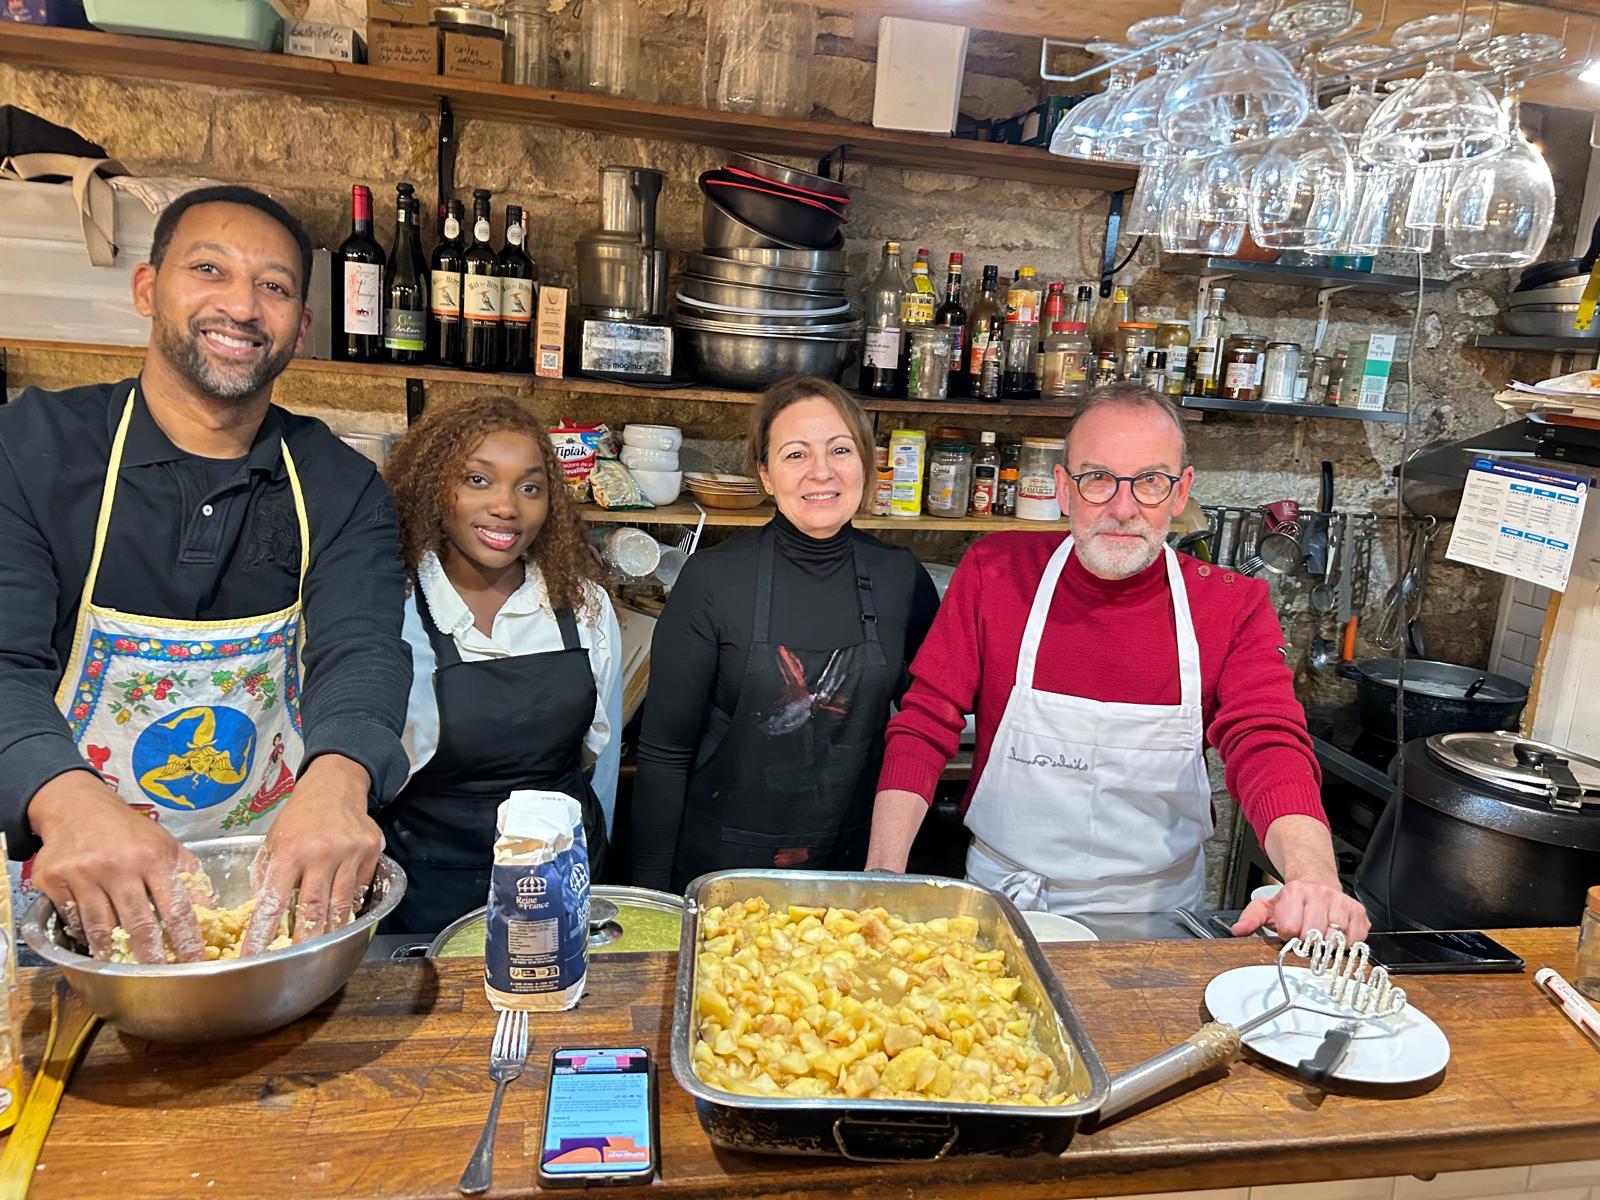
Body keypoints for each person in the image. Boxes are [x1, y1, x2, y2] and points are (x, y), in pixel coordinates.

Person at [0, 185, 411, 962]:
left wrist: (339, 778)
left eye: (275, 287)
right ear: (148, 289)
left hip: (265, 899)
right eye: (210, 270)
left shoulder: (339, 484)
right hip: (57, 891)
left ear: (303, 326)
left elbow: (360, 649)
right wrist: (65, 801)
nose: (244, 307)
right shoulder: (31, 450)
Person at [866, 383, 1368, 942]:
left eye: (1150, 482)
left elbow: (1267, 741)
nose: (1123, 508)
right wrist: (884, 875)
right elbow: (923, 722)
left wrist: (1314, 877)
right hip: (1002, 909)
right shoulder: (994, 573)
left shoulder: (1231, 605)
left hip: (1154, 922)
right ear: (1063, 488)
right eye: (1097, 478)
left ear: (1181, 493)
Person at [632, 378, 940, 891]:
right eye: (796, 454)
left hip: (853, 868)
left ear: (865, 462)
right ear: (766, 474)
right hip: (723, 872)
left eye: (840, 450)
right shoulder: (713, 580)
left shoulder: (899, 578)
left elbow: (928, 722)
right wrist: (654, 899)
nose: (822, 471)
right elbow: (664, 752)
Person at [381, 397, 620, 934]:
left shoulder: (583, 605)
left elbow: (601, 765)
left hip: (561, 885)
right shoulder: (392, 610)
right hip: (427, 896)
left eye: (529, 487)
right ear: (434, 487)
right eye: (478, 480)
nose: (507, 507)